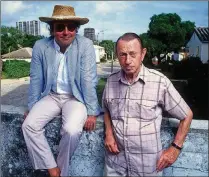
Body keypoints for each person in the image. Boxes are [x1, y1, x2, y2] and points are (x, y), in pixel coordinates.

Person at [22, 5, 100, 177]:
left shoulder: (85, 45)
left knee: (72, 130)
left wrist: (92, 112)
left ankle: (61, 172)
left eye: (71, 27)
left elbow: (89, 79)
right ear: (52, 30)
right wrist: (32, 106)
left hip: (75, 98)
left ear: (76, 29)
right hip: (50, 96)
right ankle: (52, 169)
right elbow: (36, 79)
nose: (66, 32)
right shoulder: (41, 46)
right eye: (60, 28)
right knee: (29, 126)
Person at [102, 32, 193, 176]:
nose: (127, 61)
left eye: (133, 54)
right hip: (115, 163)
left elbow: (186, 115)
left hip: (147, 166)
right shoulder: (111, 81)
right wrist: (108, 134)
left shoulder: (159, 82)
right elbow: (106, 108)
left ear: (143, 54)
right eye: (123, 54)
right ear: (117, 55)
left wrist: (175, 148)